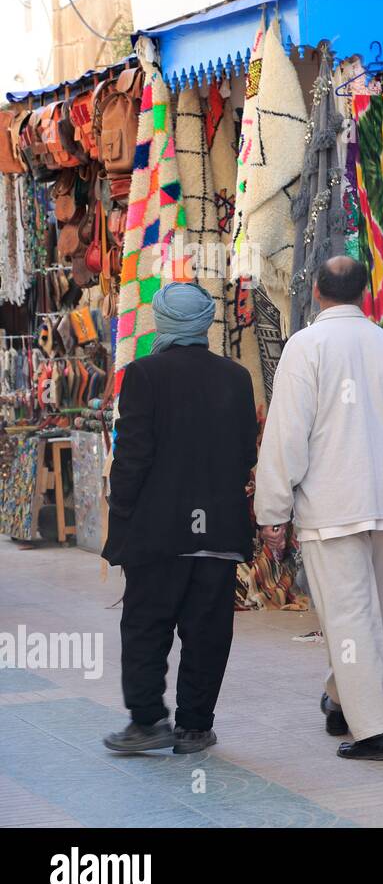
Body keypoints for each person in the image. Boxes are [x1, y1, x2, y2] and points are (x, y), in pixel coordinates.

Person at [254, 256, 383, 761]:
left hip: (334, 506)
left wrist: (273, 512)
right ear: (363, 294)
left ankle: (376, 730)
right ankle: (339, 698)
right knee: (368, 615)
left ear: (315, 291)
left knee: (351, 617)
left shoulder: (305, 348)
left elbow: (287, 437)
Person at [102, 282, 258, 755]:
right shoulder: (236, 377)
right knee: (207, 630)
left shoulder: (143, 376)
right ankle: (194, 727)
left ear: (163, 322)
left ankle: (148, 720)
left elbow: (132, 458)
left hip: (158, 531)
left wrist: (121, 514)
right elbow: (244, 452)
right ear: (206, 323)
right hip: (218, 529)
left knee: (147, 625)